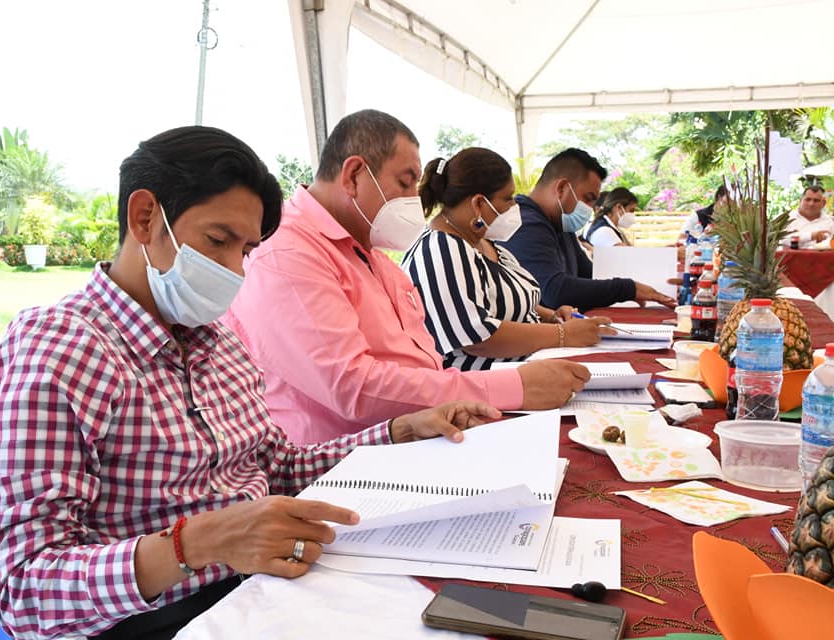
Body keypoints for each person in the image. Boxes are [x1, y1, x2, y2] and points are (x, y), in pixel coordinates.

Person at [0, 126, 503, 640]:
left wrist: (398, 432)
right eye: (218, 240)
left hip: (260, 588)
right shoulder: (63, 349)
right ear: (145, 217)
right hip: (157, 616)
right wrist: (193, 544)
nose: (235, 272)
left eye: (245, 251)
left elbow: (276, 467)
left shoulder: (216, 340)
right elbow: (24, 591)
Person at [224, 110, 590, 445]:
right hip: (345, 466)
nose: (415, 199)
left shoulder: (370, 255)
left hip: (418, 436)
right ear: (353, 175)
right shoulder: (288, 254)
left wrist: (460, 404)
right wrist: (511, 386)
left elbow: (419, 362)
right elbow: (352, 386)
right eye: (405, 183)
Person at [401, 147, 613, 371]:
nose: (515, 207)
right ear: (479, 203)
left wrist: (553, 316)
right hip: (482, 386)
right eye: (508, 198)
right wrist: (562, 334)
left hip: (527, 373)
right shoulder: (440, 249)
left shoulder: (485, 243)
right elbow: (478, 338)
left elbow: (509, 300)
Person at [500, 148, 676, 312]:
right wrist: (628, 289)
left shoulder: (561, 225)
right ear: (561, 188)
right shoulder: (525, 224)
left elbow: (591, 274)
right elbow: (554, 292)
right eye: (588, 198)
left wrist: (652, 278)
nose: (590, 209)